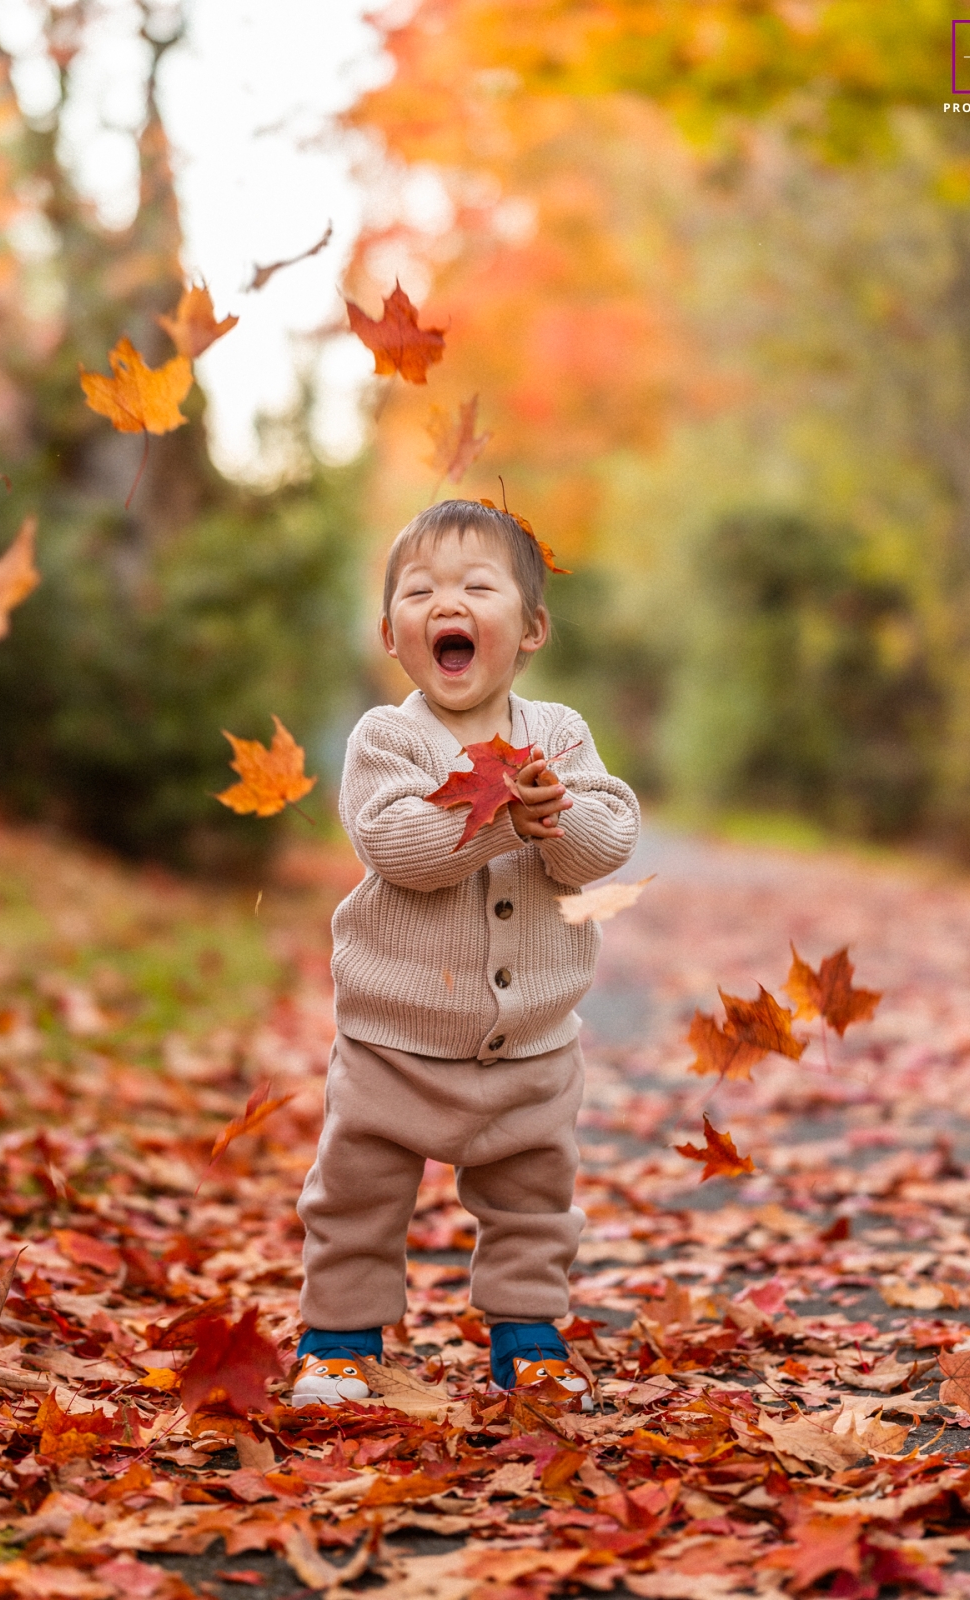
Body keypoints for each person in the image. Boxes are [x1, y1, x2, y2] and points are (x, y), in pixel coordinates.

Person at [291, 498, 640, 1410]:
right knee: (357, 1194)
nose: (447, 602)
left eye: (477, 587)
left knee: (533, 1198)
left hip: (531, 1043)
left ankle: (528, 1333)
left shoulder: (560, 735)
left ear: (530, 630)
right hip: (393, 1039)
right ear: (391, 634)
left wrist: (556, 817)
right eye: (420, 592)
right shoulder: (387, 739)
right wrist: (497, 820)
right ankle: (339, 1338)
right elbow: (396, 847)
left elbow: (609, 838)